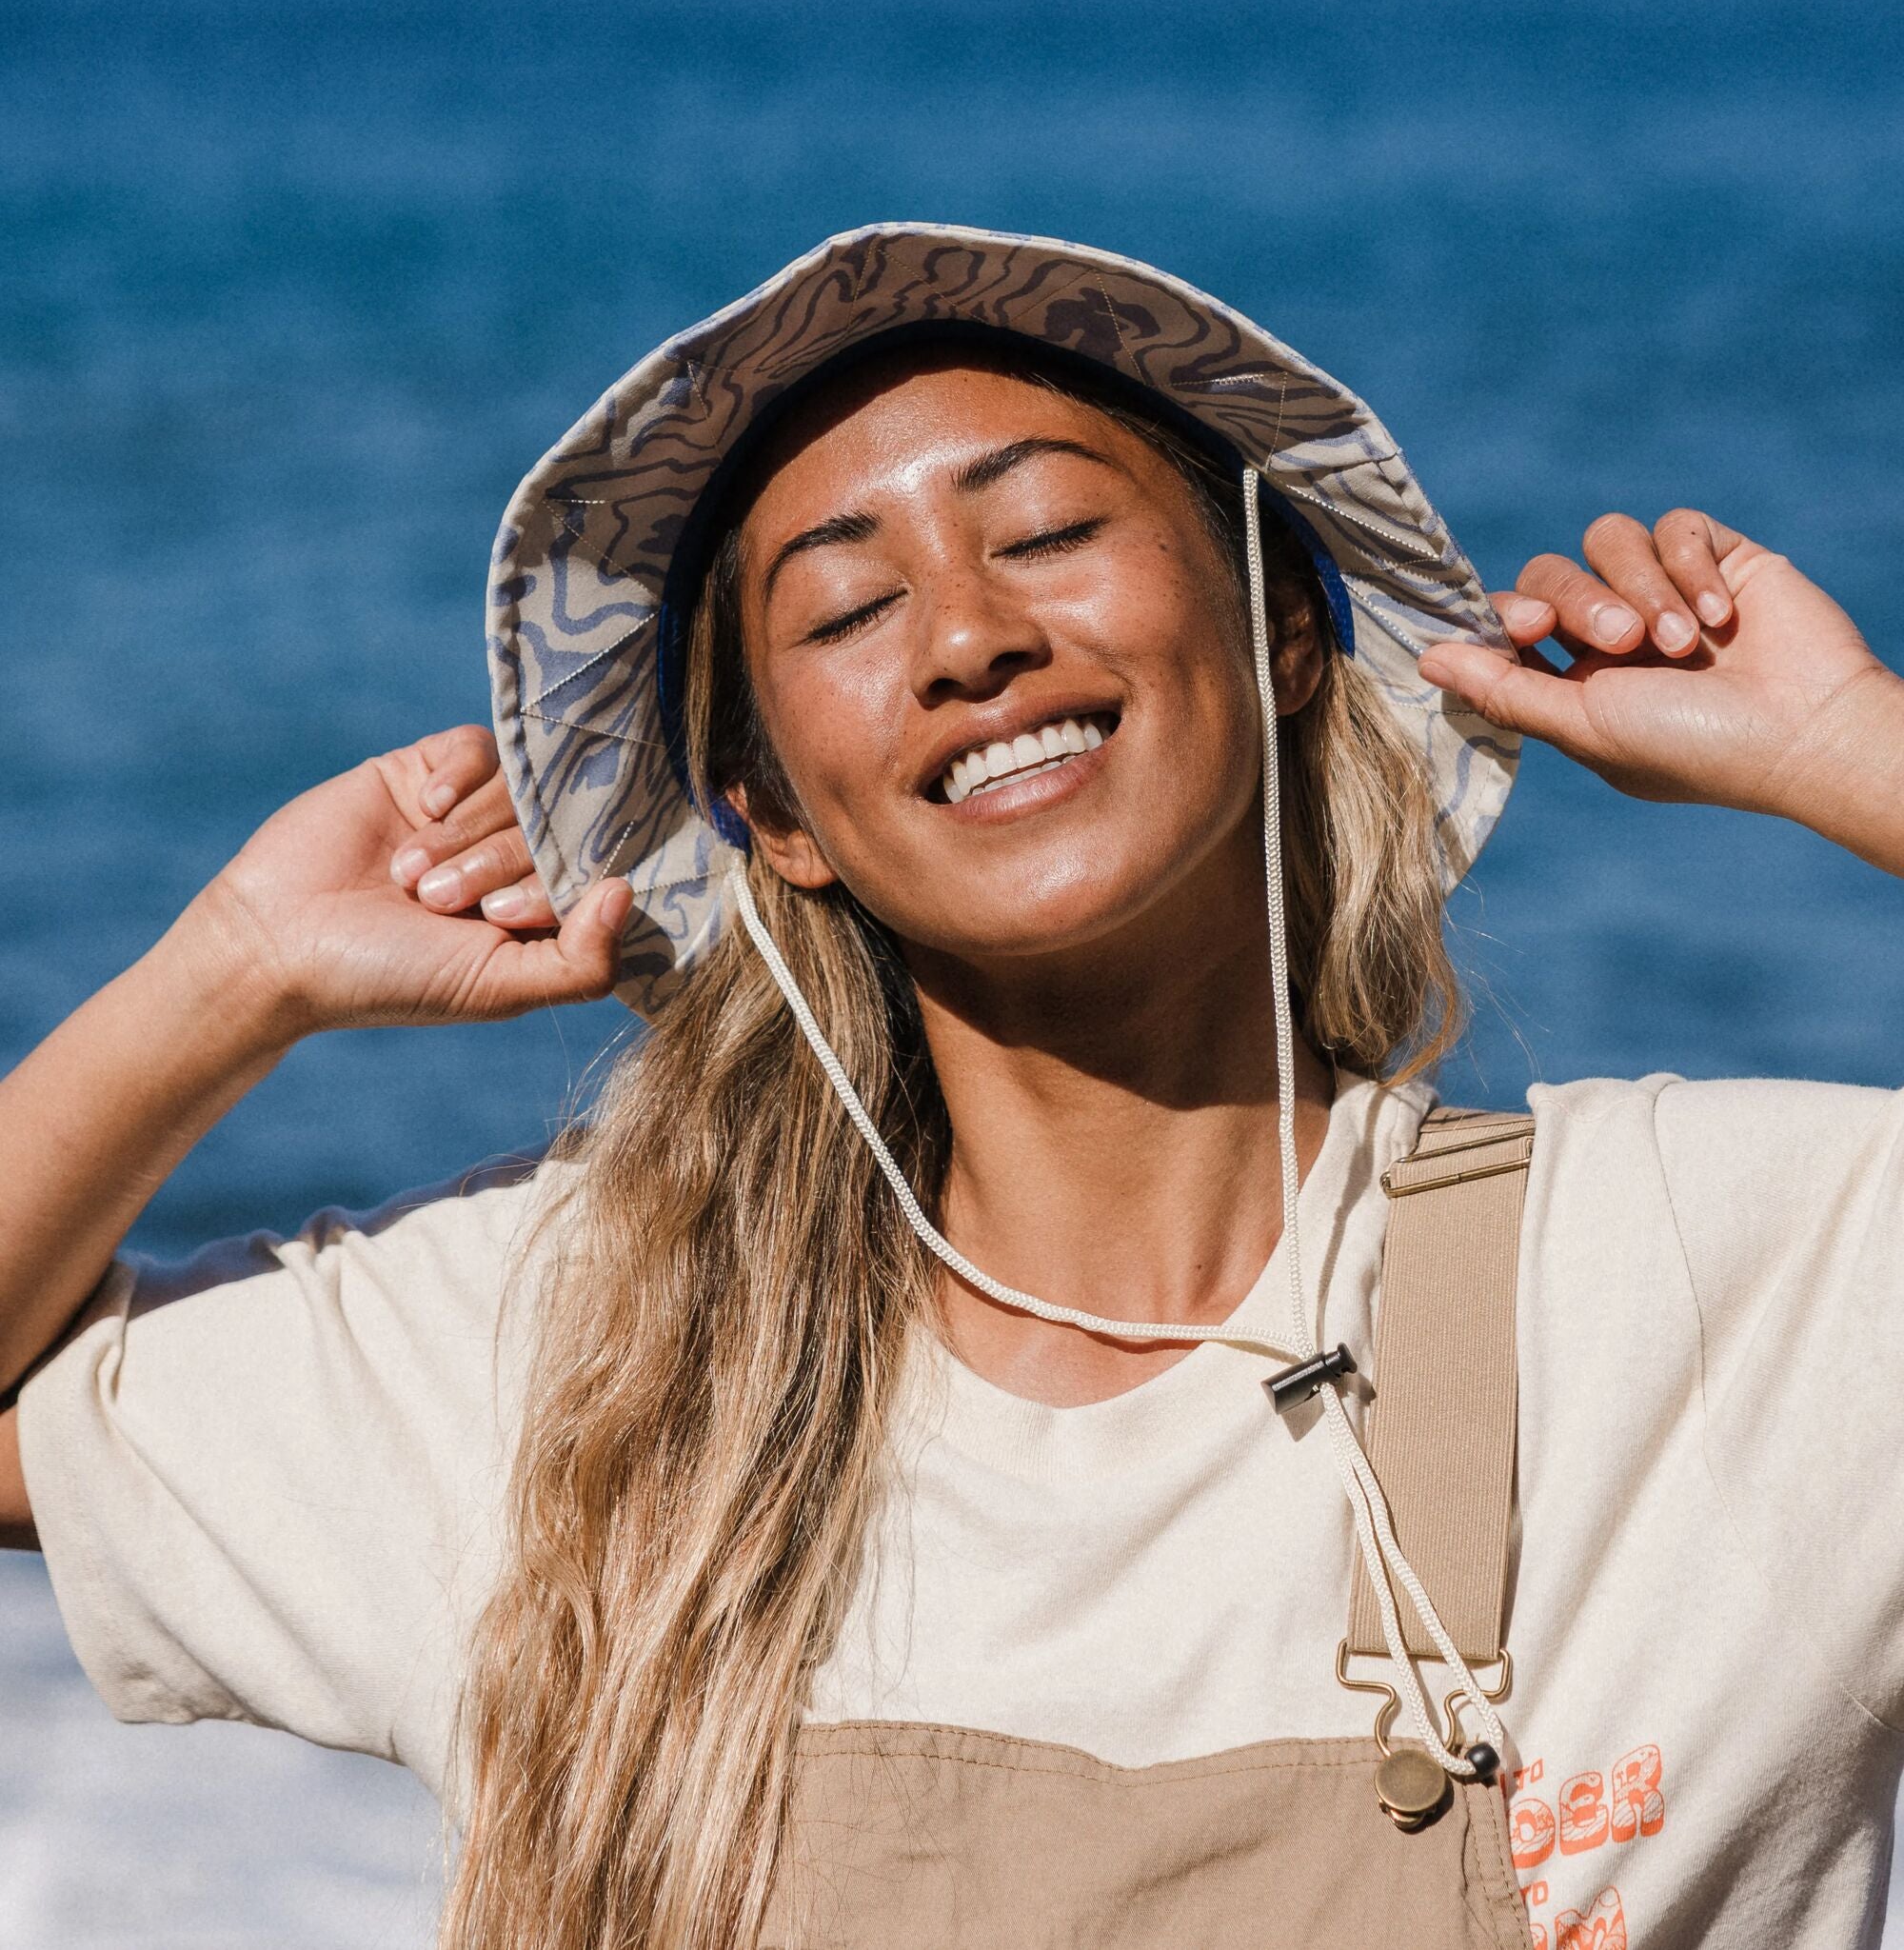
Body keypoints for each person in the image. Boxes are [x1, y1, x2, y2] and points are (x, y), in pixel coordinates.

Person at [3, 222, 1902, 1950]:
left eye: (1050, 531)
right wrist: (230, 973)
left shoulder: (1725, 1275)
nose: (971, 639)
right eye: (841, 613)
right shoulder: (583, 1350)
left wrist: (1846, 744)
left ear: (1289, 631)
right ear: (775, 816)